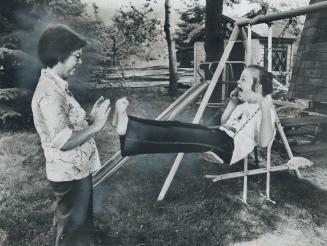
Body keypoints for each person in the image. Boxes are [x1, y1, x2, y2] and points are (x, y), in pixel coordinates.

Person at [32, 24, 111, 246]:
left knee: (75, 229)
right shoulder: (50, 93)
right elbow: (63, 141)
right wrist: (96, 126)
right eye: (77, 56)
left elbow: (66, 126)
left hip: (76, 172)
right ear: (60, 55)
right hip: (69, 175)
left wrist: (89, 119)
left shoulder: (56, 86)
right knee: (74, 234)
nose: (80, 61)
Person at [113, 65, 275, 165]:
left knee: (178, 133)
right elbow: (225, 123)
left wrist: (267, 112)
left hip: (228, 148)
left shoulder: (266, 110)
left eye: (243, 80)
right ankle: (129, 136)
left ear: (258, 87)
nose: (238, 82)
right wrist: (232, 103)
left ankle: (129, 128)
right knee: (176, 127)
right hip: (219, 136)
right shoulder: (244, 105)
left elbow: (264, 143)